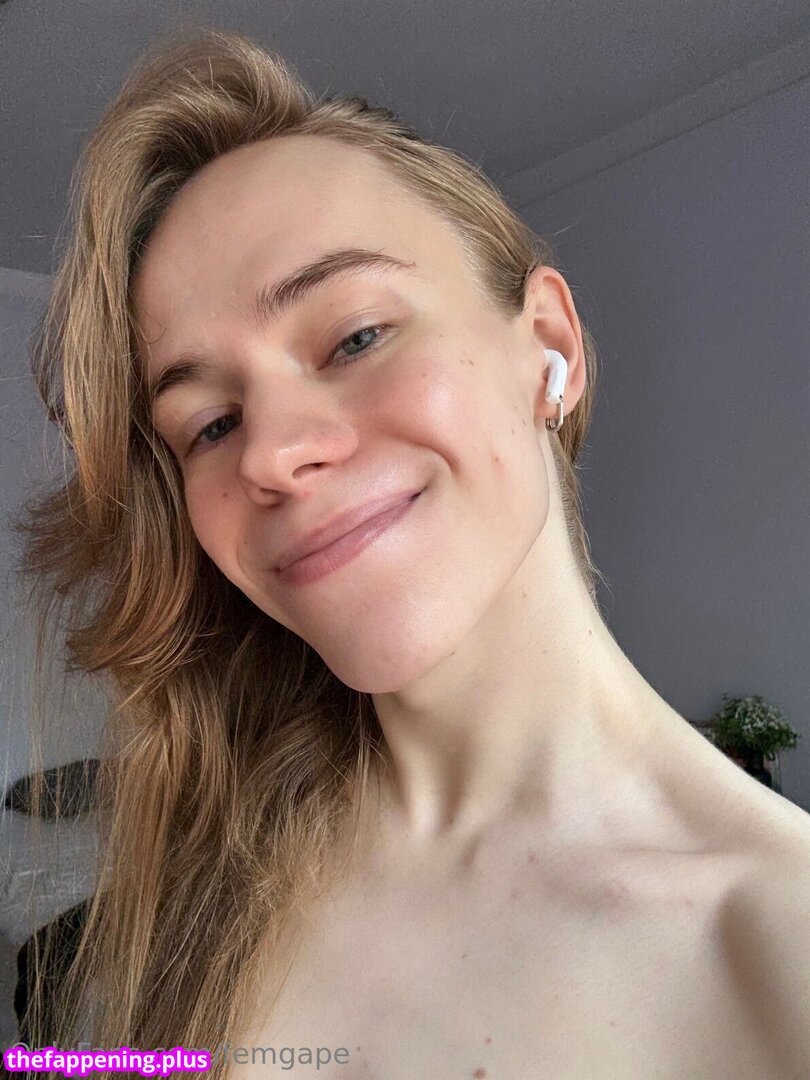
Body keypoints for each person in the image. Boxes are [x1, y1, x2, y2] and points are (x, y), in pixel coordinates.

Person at [11, 25, 810, 1080]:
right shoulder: (205, 873)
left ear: (549, 347)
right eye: (210, 423)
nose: (271, 454)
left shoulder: (779, 950)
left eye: (355, 337)